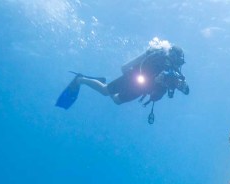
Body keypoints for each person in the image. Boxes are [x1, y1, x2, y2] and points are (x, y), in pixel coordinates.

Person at [56, 38, 189, 121]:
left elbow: (156, 96)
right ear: (172, 55)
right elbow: (131, 66)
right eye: (177, 61)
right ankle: (80, 79)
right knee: (104, 91)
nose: (177, 65)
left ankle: (101, 82)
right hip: (133, 78)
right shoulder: (156, 57)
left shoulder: (172, 76)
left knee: (116, 101)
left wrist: (165, 85)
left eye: (179, 63)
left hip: (141, 88)